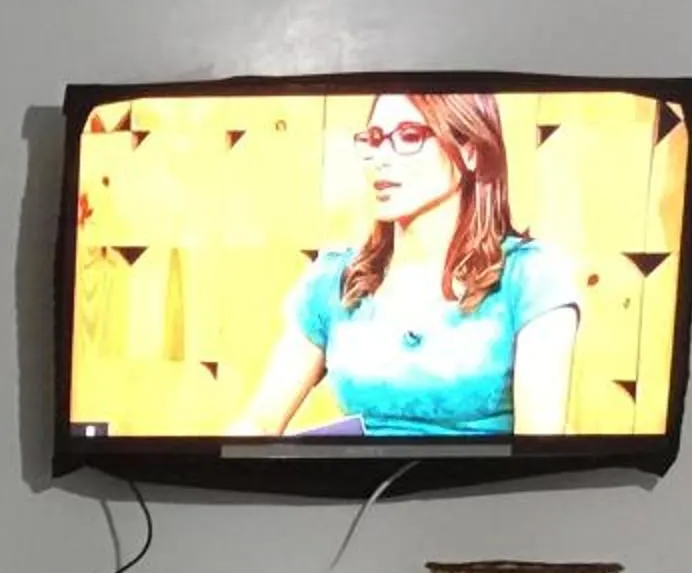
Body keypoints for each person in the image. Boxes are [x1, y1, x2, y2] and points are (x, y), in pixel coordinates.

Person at [230, 91, 580, 439]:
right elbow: (259, 422)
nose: (381, 157)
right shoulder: (335, 280)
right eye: (375, 139)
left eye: (409, 136)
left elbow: (537, 446)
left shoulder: (529, 276)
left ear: (470, 150)